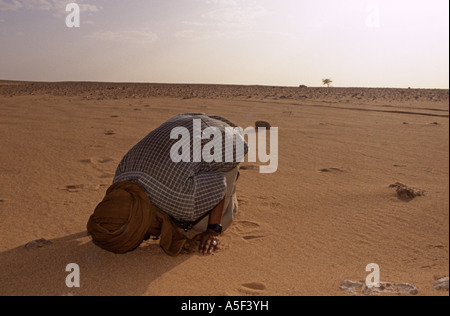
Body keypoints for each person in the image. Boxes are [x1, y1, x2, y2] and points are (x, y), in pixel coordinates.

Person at [87, 113, 248, 256]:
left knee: (201, 225)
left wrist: (214, 230)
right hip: (186, 121)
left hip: (227, 140)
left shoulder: (180, 199)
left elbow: (218, 182)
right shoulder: (120, 181)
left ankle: (232, 174)